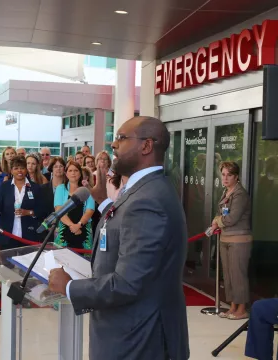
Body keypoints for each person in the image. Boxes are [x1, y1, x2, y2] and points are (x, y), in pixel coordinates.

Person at [49, 116, 189, 360]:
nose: (113, 145)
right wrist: (103, 202)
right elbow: (126, 227)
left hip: (138, 339)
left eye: (122, 138)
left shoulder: (147, 199)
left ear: (146, 146)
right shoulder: (144, 189)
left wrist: (70, 287)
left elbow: (127, 283)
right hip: (130, 331)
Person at [210, 161, 252, 320]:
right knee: (228, 275)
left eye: (229, 175)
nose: (225, 178)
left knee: (238, 274)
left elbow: (233, 218)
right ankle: (233, 307)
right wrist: (217, 220)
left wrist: (217, 221)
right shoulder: (225, 192)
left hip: (239, 240)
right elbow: (221, 213)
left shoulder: (240, 194)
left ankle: (242, 309)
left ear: (236, 177)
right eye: (223, 174)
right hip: (225, 238)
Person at [0, 156, 45, 249]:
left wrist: (28, 212)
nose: (19, 171)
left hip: (29, 235)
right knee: (7, 262)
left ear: (26, 170)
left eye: (22, 168)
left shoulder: (35, 188)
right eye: (16, 168)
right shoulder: (5, 186)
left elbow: (42, 210)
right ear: (11, 171)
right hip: (7, 235)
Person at [53, 161, 95, 252]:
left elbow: (90, 210)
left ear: (80, 173)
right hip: (64, 231)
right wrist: (73, 226)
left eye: (76, 170)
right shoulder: (60, 188)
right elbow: (58, 209)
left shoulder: (87, 189)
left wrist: (79, 225)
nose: (73, 173)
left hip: (84, 230)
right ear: (66, 173)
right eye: (70, 170)